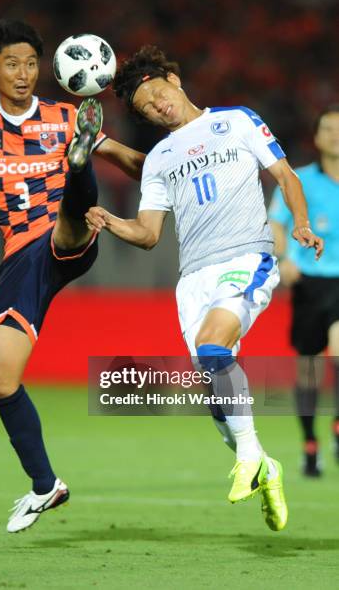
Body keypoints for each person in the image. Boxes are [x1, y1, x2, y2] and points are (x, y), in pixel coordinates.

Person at [0, 19, 145, 533]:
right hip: (20, 259)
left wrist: (164, 163)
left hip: (68, 239)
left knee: (68, 219)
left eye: (32, 64)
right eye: (12, 64)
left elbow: (129, 160)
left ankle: (78, 168)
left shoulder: (65, 115)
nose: (23, 73)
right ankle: (46, 486)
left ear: (45, 69)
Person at [86, 45, 324, 532]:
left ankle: (252, 459)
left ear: (172, 79)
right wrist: (111, 222)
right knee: (218, 400)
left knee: (213, 346)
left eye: (155, 92)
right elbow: (149, 234)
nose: (156, 106)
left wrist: (299, 223)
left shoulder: (237, 120)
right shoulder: (158, 160)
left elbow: (284, 174)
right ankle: (263, 464)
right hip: (192, 279)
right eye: (145, 108)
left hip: (246, 258)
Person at [269, 104, 339, 477]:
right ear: (316, 138)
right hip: (309, 282)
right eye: (328, 129)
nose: (335, 135)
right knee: (309, 370)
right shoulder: (301, 181)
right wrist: (284, 258)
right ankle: (310, 444)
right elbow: (276, 222)